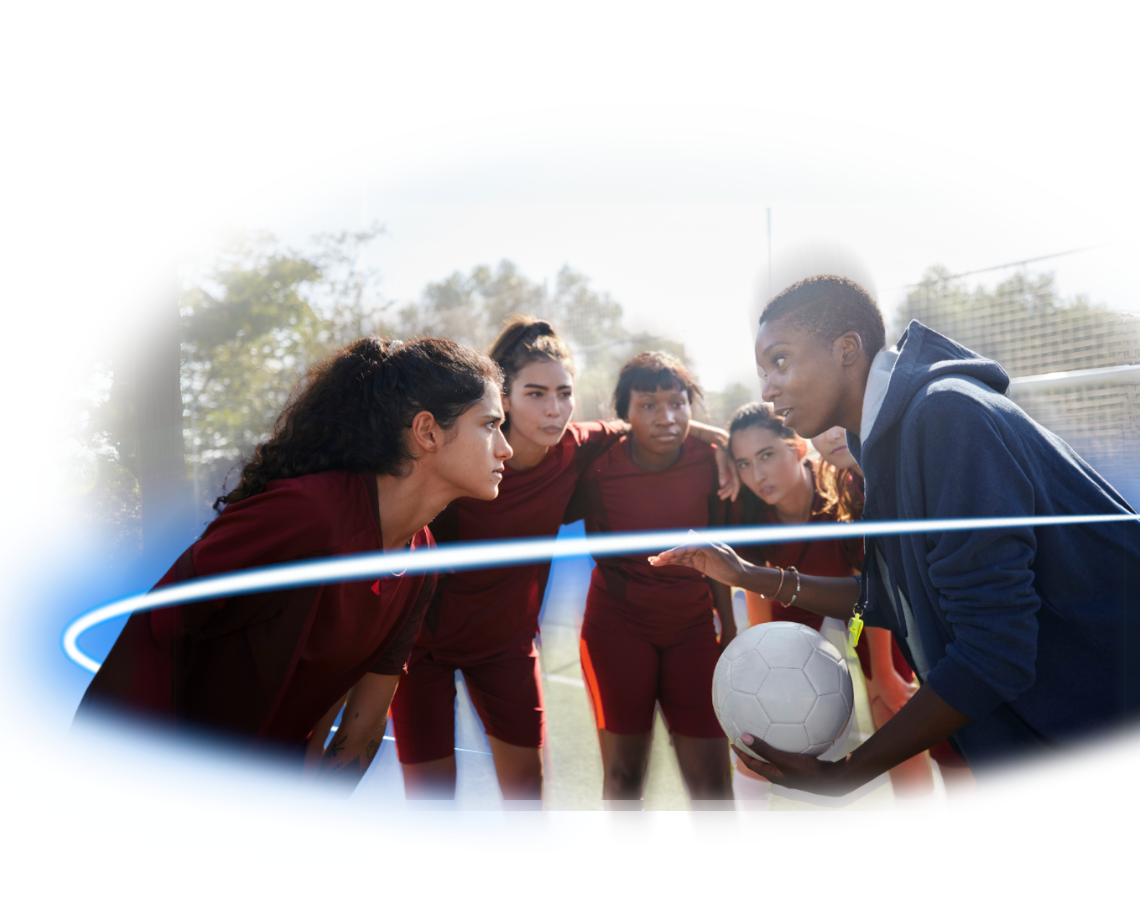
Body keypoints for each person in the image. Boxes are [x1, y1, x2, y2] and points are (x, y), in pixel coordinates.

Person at [653, 275, 1140, 840]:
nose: (768, 389)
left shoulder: (946, 418)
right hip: (1057, 728)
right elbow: (895, 597)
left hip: (1128, 726)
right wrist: (748, 574)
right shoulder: (891, 440)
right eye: (762, 372)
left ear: (847, 349)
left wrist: (853, 774)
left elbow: (994, 650)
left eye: (780, 361)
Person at [75, 337, 512, 798]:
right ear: (427, 432)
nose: (505, 448)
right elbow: (156, 630)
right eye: (490, 425)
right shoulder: (307, 513)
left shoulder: (422, 563)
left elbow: (360, 729)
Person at [389, 316, 735, 862]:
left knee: (531, 821)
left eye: (564, 393)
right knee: (432, 822)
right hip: (418, 651)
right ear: (500, 397)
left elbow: (651, 423)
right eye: (535, 394)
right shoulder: (451, 454)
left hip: (504, 648)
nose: (554, 409)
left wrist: (720, 443)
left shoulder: (576, 448)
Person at [723, 402, 944, 861]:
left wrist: (880, 669)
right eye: (743, 463)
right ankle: (757, 860)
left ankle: (926, 852)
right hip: (795, 620)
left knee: (890, 707)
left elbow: (871, 595)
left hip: (866, 614)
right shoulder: (749, 516)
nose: (756, 474)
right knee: (757, 729)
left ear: (798, 446)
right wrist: (765, 684)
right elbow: (762, 616)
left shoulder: (840, 494)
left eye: (767, 455)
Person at [568, 350, 743, 861]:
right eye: (649, 405)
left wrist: (728, 629)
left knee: (711, 778)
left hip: (692, 631)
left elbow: (717, 554)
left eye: (677, 402)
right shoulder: (596, 471)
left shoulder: (709, 463)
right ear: (625, 410)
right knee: (623, 776)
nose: (666, 417)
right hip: (617, 630)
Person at [811, 424, 986, 846]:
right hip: (906, 645)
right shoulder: (846, 482)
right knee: (939, 783)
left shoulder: (905, 461)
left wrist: (887, 668)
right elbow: (872, 584)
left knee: (971, 782)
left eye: (842, 420)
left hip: (955, 649)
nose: (832, 434)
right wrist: (881, 666)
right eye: (821, 428)